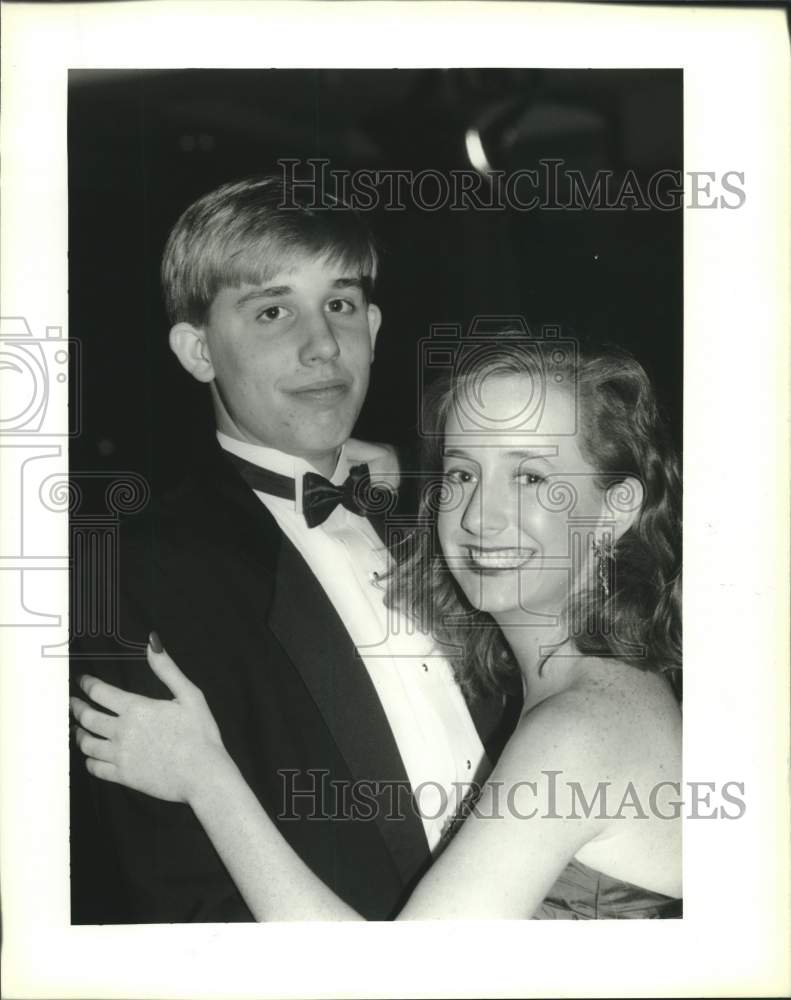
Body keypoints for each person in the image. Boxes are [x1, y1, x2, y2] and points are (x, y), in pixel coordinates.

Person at [72, 342, 683, 919]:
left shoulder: (577, 731)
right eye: (462, 474)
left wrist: (206, 777)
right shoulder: (615, 684)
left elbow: (391, 978)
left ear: (616, 506)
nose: (479, 516)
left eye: (530, 477)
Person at [69, 175, 513, 923]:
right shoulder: (131, 572)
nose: (322, 345)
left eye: (338, 305)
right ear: (197, 350)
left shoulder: (456, 512)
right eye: (272, 310)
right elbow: (184, 902)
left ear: (372, 328)